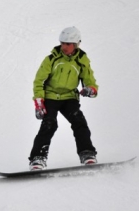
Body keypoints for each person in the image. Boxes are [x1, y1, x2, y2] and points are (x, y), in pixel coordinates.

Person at [29, 26, 98, 170]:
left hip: (69, 98)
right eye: (62, 43)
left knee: (79, 122)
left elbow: (89, 80)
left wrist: (90, 89)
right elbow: (39, 82)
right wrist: (39, 103)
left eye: (67, 44)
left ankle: (87, 153)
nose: (64, 47)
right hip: (51, 97)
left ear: (76, 44)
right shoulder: (51, 59)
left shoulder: (81, 60)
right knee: (49, 124)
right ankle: (38, 158)